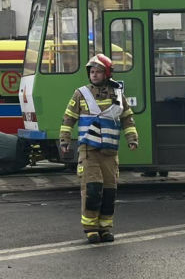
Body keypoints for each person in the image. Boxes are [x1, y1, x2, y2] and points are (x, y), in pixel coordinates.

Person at [59, 54, 139, 244]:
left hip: (110, 152)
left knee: (109, 191)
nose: (94, 75)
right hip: (89, 151)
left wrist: (132, 138)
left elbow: (127, 119)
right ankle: (91, 228)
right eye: (92, 72)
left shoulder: (117, 94)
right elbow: (68, 118)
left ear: (107, 74)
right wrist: (64, 140)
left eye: (98, 72)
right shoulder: (81, 94)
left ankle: (105, 227)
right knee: (92, 189)